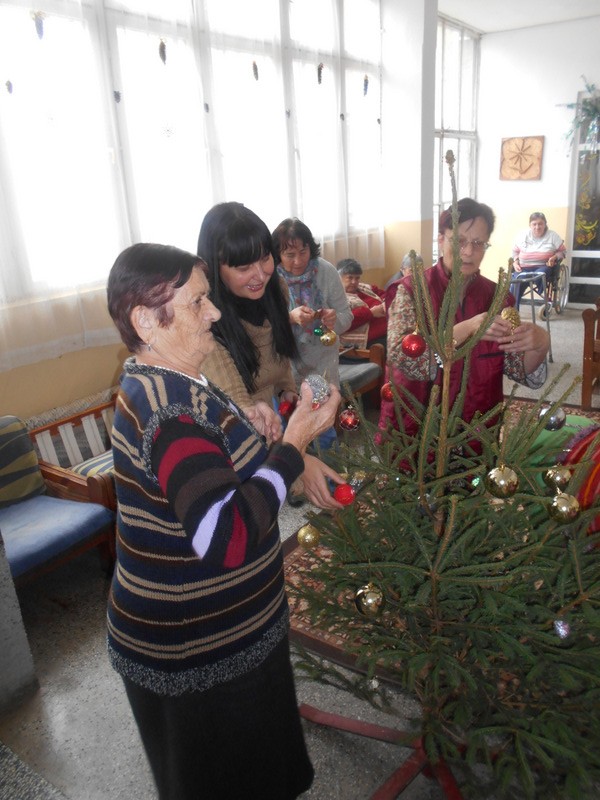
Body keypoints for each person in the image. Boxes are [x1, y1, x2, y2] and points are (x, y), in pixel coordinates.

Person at [106, 242, 341, 800]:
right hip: (197, 650)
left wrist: (251, 433)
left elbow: (211, 464)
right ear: (146, 322)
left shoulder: (172, 379)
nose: (214, 312)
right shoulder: (168, 411)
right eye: (197, 302)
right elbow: (227, 536)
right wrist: (294, 444)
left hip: (224, 632)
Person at [197, 201, 344, 509]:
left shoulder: (275, 287)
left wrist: (287, 388)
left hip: (267, 416)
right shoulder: (207, 324)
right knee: (250, 514)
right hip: (232, 440)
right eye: (243, 268)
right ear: (214, 269)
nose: (260, 275)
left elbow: (279, 351)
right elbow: (244, 412)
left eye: (264, 258)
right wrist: (297, 457)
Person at [379, 198, 550, 443]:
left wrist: (541, 344)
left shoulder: (497, 298)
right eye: (459, 241)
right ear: (441, 240)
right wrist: (466, 329)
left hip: (476, 433)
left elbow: (517, 368)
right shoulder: (411, 291)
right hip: (417, 433)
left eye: (478, 243)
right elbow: (403, 360)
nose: (468, 252)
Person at [272, 217, 353, 451]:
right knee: (287, 436)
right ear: (277, 254)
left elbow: (346, 317)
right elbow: (263, 327)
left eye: (303, 251)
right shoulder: (269, 278)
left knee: (323, 435)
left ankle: (327, 471)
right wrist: (289, 318)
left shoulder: (325, 271)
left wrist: (333, 320)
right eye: (289, 255)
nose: (298, 261)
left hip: (322, 368)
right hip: (284, 369)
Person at [511, 212, 567, 309]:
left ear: (545, 224)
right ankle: (513, 309)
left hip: (543, 266)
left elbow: (563, 252)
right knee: (517, 281)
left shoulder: (552, 236)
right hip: (524, 267)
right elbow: (515, 252)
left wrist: (554, 257)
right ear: (530, 225)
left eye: (540, 224)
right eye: (534, 224)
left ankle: (544, 296)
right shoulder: (523, 235)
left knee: (540, 274)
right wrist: (515, 262)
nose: (537, 227)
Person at [336, 257, 387, 350]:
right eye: (350, 277)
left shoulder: (363, 288)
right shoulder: (337, 297)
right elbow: (341, 322)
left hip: (388, 329)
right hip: (371, 341)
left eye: (357, 278)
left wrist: (385, 302)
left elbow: (383, 293)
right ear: (338, 277)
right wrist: (370, 313)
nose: (354, 282)